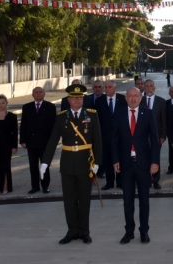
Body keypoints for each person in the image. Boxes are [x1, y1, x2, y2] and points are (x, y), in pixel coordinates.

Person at [41, 84, 101, 245]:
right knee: (69, 200)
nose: (76, 100)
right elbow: (53, 140)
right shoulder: (62, 117)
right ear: (68, 100)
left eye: (79, 97)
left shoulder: (92, 115)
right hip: (67, 164)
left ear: (83, 99)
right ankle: (72, 231)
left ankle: (84, 232)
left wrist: (98, 162)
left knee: (84, 199)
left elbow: (98, 141)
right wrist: (45, 162)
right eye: (73, 98)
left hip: (85, 163)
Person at [113, 88, 160, 244]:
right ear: (125, 98)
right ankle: (129, 231)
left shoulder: (147, 114)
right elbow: (114, 139)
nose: (133, 99)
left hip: (143, 164)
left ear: (141, 98)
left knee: (144, 201)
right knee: (127, 200)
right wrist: (115, 160)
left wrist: (155, 162)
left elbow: (154, 140)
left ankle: (144, 231)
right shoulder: (119, 114)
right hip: (126, 164)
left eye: (136, 96)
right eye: (130, 96)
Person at [20, 87, 57, 194]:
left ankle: (45, 186)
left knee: (44, 165)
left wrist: (53, 141)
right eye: (36, 92)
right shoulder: (27, 107)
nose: (38, 94)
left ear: (44, 94)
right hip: (31, 142)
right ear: (32, 94)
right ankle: (35, 186)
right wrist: (23, 140)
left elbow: (53, 125)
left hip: (45, 142)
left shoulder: (50, 107)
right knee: (33, 166)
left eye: (40, 92)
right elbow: (23, 125)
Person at [95, 80, 127, 189]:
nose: (107, 89)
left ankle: (120, 182)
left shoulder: (123, 100)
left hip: (120, 136)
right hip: (105, 137)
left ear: (115, 88)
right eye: (106, 87)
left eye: (109, 87)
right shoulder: (99, 101)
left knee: (120, 159)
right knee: (107, 160)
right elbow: (97, 120)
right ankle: (109, 182)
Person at [140, 79, 168, 190]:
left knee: (155, 158)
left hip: (156, 136)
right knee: (144, 159)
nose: (149, 88)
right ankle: (146, 180)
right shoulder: (140, 100)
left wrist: (163, 135)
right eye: (146, 86)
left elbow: (164, 120)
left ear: (154, 88)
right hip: (142, 137)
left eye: (151, 86)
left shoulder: (161, 101)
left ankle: (156, 181)